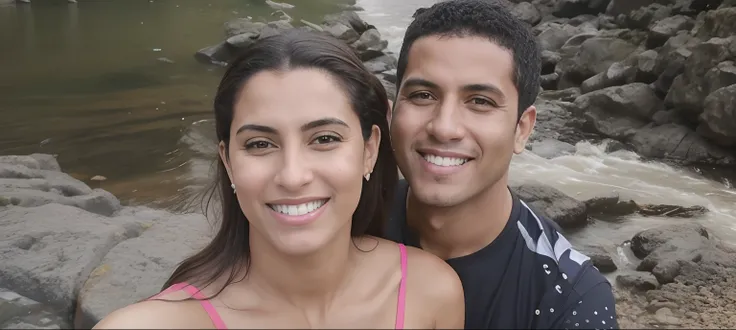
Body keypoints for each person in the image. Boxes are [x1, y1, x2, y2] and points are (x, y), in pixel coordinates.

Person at [93, 29, 464, 329]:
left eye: (324, 139)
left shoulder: (429, 293)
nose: (292, 175)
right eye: (260, 144)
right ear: (227, 160)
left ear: (369, 151)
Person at [385, 0, 620, 329]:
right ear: (392, 111)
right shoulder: (346, 223)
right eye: (424, 95)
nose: (444, 127)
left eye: (480, 101)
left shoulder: (568, 298)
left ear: (522, 129)